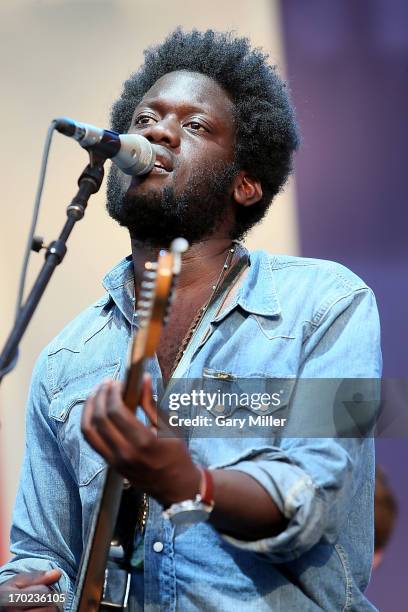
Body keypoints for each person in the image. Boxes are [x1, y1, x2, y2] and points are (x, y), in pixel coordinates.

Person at [0, 29, 382, 611]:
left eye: (195, 125)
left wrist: (191, 483)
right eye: (146, 117)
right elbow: (40, 557)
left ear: (246, 183)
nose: (156, 131)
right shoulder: (65, 358)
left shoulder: (326, 304)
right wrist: (23, 598)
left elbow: (313, 498)